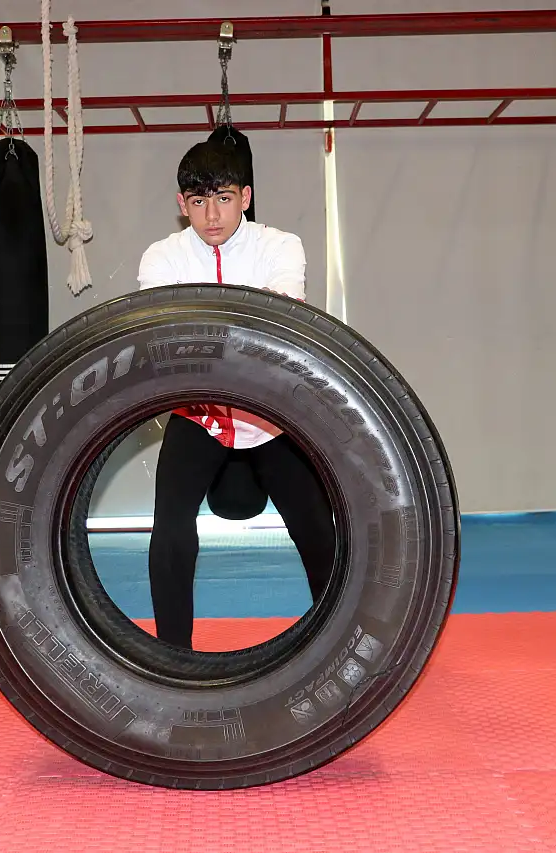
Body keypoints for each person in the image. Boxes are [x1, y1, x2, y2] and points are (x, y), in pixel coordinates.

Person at [136, 139, 335, 650]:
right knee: (171, 529)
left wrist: (202, 330)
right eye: (198, 202)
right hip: (200, 416)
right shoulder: (163, 257)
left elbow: (279, 319)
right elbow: (163, 340)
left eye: (222, 199)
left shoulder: (279, 246)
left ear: (245, 196)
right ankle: (173, 658)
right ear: (182, 205)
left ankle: (340, 643)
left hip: (271, 418)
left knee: (317, 528)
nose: (211, 215)